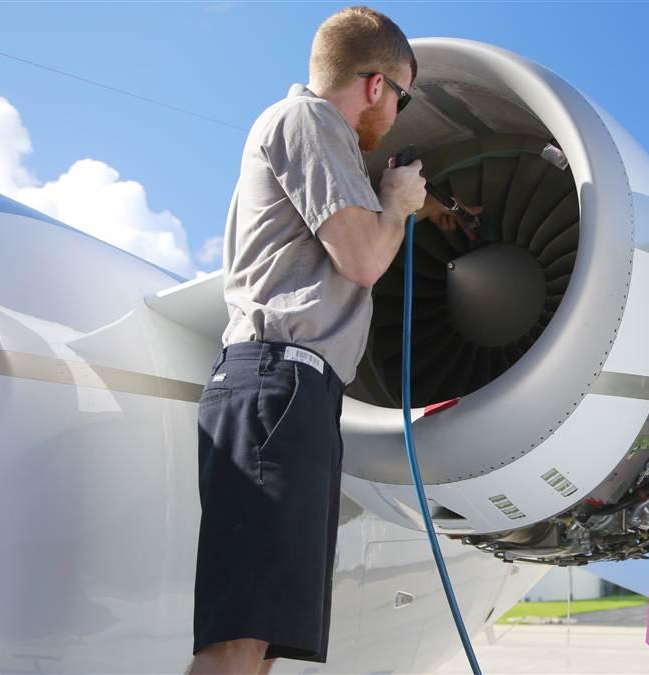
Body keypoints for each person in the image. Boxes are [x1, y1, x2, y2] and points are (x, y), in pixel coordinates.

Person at [187, 7, 477, 674]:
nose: (396, 115)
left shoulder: (321, 141)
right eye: (402, 98)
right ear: (376, 85)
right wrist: (397, 205)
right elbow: (364, 259)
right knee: (238, 639)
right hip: (276, 386)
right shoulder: (308, 121)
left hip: (297, 395)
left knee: (260, 637)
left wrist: (423, 207)